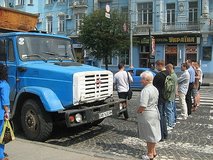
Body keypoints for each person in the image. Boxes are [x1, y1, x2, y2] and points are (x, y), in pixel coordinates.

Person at [137, 71, 161, 160]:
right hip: (154, 112)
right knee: (153, 133)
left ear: (146, 80)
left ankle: (150, 154)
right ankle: (153, 152)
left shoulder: (146, 90)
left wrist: (138, 111)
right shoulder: (154, 88)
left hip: (147, 114)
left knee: (149, 135)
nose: (140, 81)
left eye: (142, 79)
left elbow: (143, 105)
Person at [153, 60, 168, 141]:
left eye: (156, 66)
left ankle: (161, 135)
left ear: (160, 65)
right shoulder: (168, 73)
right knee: (163, 115)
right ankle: (165, 134)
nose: (156, 67)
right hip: (166, 96)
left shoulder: (159, 75)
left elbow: (154, 87)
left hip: (159, 97)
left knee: (160, 116)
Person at [0, 64, 10, 160]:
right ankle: (1, 156)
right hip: (0, 114)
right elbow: (5, 102)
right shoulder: (4, 85)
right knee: (1, 135)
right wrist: (7, 112)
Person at [165, 64, 178, 130]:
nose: (166, 70)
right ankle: (173, 122)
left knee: (169, 110)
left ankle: (170, 124)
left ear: (169, 68)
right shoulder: (175, 75)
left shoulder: (171, 76)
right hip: (172, 95)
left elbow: (169, 88)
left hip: (169, 96)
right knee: (172, 109)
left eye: (166, 69)